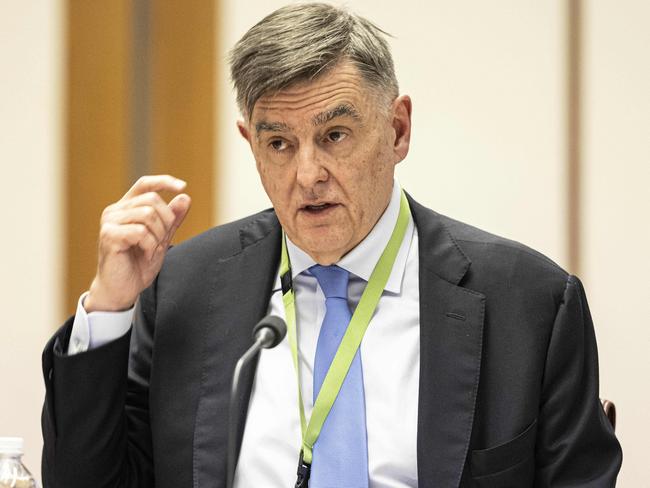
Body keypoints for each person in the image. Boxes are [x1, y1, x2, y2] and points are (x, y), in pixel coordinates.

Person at [41, 3, 621, 487]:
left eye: (334, 135)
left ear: (397, 130)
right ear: (250, 142)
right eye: (279, 144)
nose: (307, 174)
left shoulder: (529, 303)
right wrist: (110, 306)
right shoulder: (185, 288)